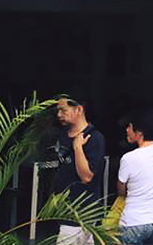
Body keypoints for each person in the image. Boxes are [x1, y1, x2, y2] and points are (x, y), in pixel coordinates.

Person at [51, 96, 106, 245]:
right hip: (61, 211)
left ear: (79, 109)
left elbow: (87, 177)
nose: (59, 115)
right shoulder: (61, 136)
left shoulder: (94, 138)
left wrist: (77, 148)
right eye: (58, 111)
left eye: (63, 110)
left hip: (81, 212)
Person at [117, 107, 153, 245]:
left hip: (134, 222)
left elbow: (121, 191)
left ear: (139, 133)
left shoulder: (129, 158)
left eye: (129, 127)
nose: (127, 130)